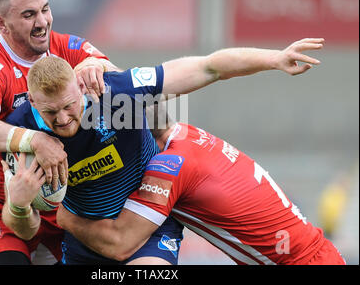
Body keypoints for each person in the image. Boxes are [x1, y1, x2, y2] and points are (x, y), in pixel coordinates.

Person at [1, 38, 326, 264]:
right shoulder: (19, 132)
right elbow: (24, 226)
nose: (63, 119)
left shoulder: (118, 91)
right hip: (86, 240)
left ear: (80, 86)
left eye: (69, 106)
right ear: (31, 102)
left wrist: (274, 58)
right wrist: (18, 204)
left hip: (149, 226)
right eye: (50, 113)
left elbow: (208, 67)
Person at [0, 0, 120, 265]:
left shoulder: (67, 48)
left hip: (59, 208)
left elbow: (122, 88)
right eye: (29, 15)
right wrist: (34, 140)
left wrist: (98, 65)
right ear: (1, 24)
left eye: (45, 9)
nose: (42, 22)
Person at [55, 102, 346, 265]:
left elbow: (120, 244)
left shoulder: (169, 164)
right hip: (318, 255)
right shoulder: (189, 135)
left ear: (139, 135)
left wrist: (66, 216)